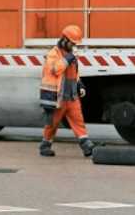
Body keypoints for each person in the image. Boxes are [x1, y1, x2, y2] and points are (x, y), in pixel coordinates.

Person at [38, 24, 95, 158]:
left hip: (71, 96)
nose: (75, 46)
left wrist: (79, 84)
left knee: (78, 121)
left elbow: (75, 72)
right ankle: (45, 145)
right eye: (73, 43)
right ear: (64, 40)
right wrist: (69, 58)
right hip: (58, 97)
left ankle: (87, 145)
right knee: (53, 123)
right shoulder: (54, 53)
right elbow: (55, 69)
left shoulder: (71, 54)